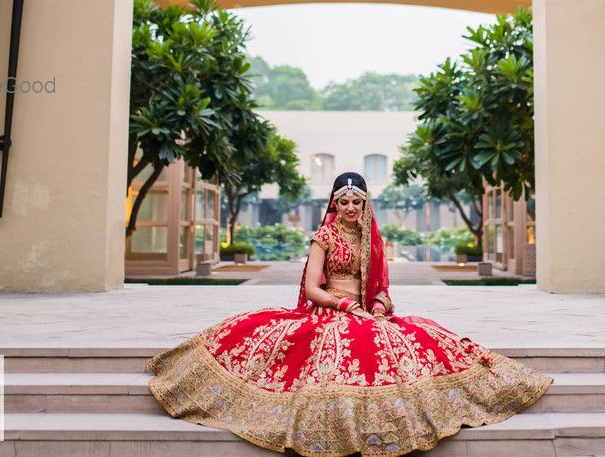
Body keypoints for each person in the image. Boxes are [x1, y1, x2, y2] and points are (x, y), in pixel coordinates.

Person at [147, 171, 553, 456]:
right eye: (343, 201)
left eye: (357, 201)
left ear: (365, 203)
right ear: (334, 203)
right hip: (329, 310)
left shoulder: (372, 239)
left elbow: (382, 289)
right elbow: (311, 288)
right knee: (294, 347)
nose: (350, 207)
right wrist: (346, 306)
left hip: (365, 311)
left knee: (421, 342)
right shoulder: (323, 236)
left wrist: (377, 305)